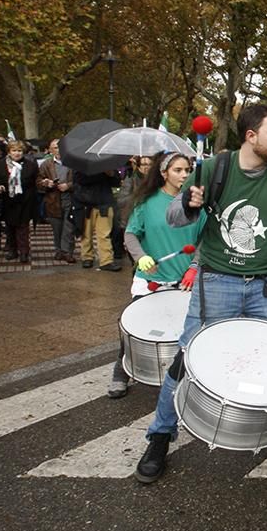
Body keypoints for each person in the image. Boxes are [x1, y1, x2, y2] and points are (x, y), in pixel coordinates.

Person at [135, 103, 267, 484]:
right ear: (251, 136)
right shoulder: (212, 169)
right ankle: (160, 435)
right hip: (216, 282)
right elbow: (175, 217)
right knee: (186, 359)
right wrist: (188, 203)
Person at [107, 152, 206, 399]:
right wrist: (140, 256)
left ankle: (190, 376)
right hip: (150, 279)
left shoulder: (196, 203)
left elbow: (205, 239)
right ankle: (121, 371)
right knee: (133, 328)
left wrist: (195, 266)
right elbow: (130, 235)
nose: (184, 175)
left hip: (185, 280)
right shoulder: (147, 202)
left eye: (187, 170)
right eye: (178, 170)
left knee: (189, 331)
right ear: (164, 173)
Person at [0, 140, 39, 262]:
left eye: (19, 151)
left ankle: (24, 252)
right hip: (7, 201)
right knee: (10, 227)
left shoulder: (30, 165)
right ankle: (12, 250)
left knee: (23, 227)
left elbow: (35, 181)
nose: (17, 153)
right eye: (14, 151)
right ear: (9, 152)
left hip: (25, 201)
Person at [37, 138, 77, 263]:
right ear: (50, 150)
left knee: (69, 228)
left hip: (70, 199)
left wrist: (68, 186)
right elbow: (38, 181)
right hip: (53, 200)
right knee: (57, 228)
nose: (59, 150)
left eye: (61, 147)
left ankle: (68, 252)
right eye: (55, 147)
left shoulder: (74, 163)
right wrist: (46, 183)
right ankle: (58, 250)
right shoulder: (46, 164)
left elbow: (81, 181)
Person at [73, 168, 121, 271]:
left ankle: (106, 260)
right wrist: (101, 174)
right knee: (86, 233)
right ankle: (87, 257)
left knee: (104, 234)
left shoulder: (108, 164)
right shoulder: (82, 164)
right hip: (85, 204)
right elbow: (80, 180)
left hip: (105, 203)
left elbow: (117, 183)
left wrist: (111, 174)